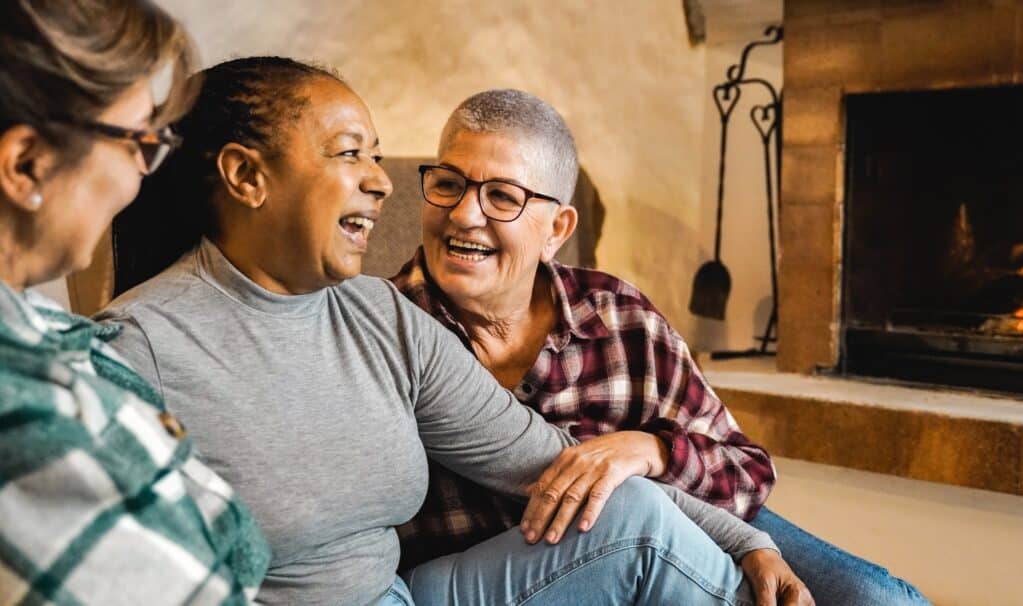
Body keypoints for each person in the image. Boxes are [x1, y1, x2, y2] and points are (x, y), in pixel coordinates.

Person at [97, 56, 804, 606]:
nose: (379, 181)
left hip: (407, 596)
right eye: (349, 154)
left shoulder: (380, 316)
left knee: (643, 520)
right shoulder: (140, 349)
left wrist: (746, 545)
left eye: (376, 156)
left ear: (558, 229)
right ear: (247, 176)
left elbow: (552, 461)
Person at [390, 88, 930, 606]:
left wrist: (652, 451)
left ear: (557, 228)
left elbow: (746, 471)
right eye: (447, 184)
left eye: (501, 196)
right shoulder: (383, 330)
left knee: (875, 598)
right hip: (517, 572)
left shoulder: (618, 317)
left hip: (677, 524)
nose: (463, 214)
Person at [0, 1, 269, 604]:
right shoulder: (24, 415)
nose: (139, 178)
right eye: (138, 144)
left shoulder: (49, 334)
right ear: (26, 164)